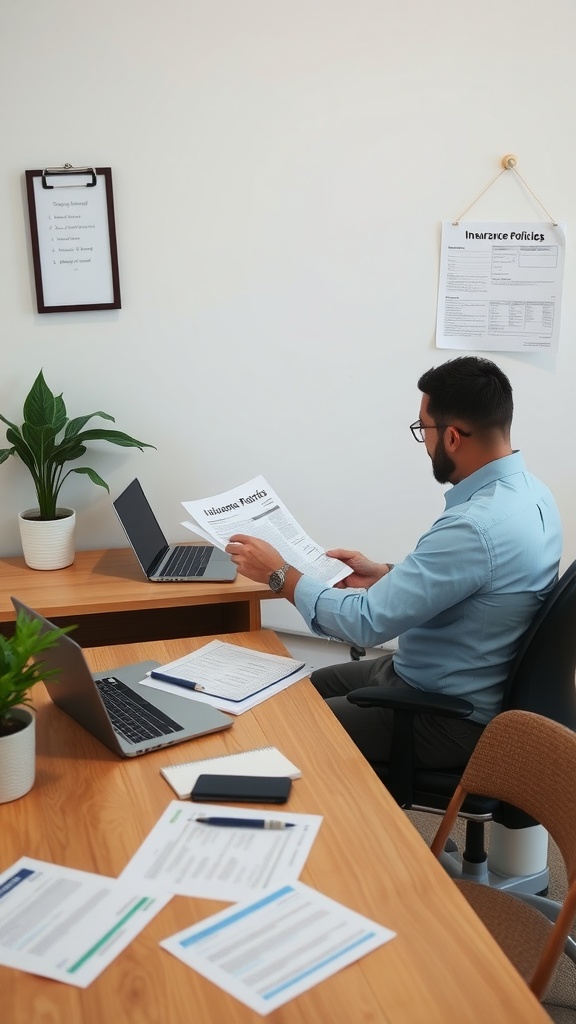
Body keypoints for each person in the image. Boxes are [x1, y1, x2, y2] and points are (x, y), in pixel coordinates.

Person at [225, 356, 562, 772]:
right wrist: (384, 574)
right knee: (298, 689)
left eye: (424, 429)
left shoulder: (475, 526)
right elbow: (476, 584)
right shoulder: (532, 494)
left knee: (289, 727)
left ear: (453, 437)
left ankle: (361, 832)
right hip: (432, 677)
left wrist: (280, 576)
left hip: (446, 716)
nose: (424, 442)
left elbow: (366, 624)